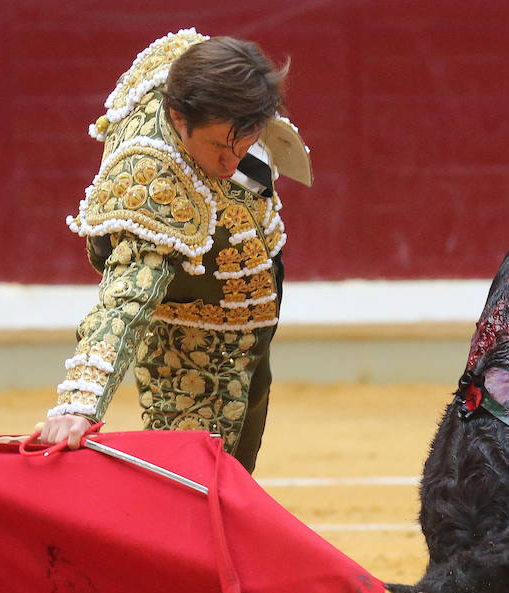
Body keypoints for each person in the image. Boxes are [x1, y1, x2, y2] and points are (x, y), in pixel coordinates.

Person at [35, 29, 311, 472]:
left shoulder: (217, 83)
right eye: (220, 145)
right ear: (179, 118)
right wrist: (79, 403)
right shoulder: (154, 181)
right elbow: (126, 300)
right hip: (191, 336)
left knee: (233, 470)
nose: (232, 161)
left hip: (252, 315)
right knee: (198, 481)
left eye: (245, 141)